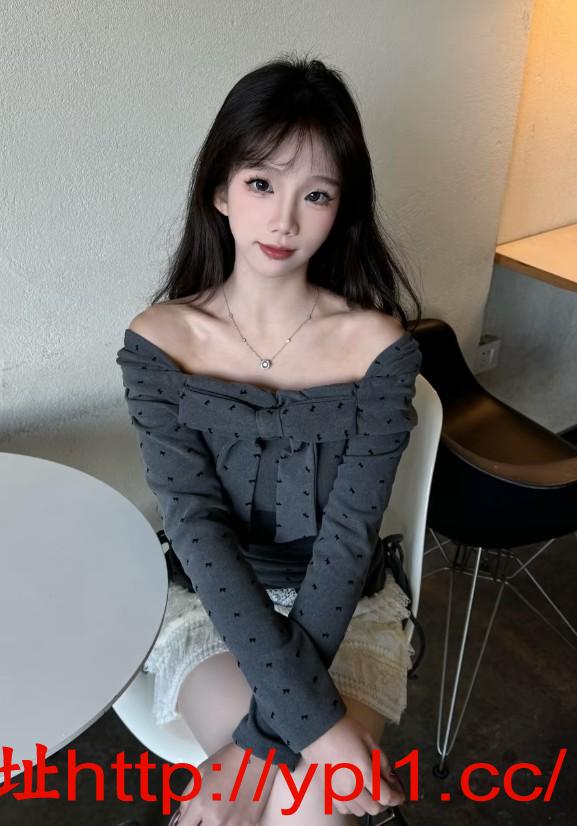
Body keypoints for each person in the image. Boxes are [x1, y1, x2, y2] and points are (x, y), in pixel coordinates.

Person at [116, 52, 423, 826]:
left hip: (344, 606)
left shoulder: (379, 349)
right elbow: (197, 530)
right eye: (261, 184)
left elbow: (348, 538)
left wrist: (253, 750)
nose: (284, 220)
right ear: (219, 190)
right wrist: (310, 734)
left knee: (301, 797)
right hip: (212, 602)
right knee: (309, 788)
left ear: (340, 208)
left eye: (314, 194)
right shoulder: (159, 341)